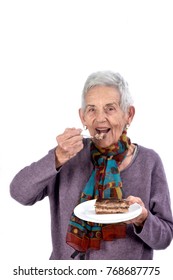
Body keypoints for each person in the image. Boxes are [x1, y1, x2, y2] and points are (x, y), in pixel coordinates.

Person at [10, 70, 173, 260]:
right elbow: (19, 192)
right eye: (91, 109)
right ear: (83, 117)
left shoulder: (149, 161)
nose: (100, 118)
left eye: (110, 108)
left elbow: (165, 237)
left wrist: (143, 219)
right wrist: (57, 157)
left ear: (129, 114)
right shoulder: (67, 154)